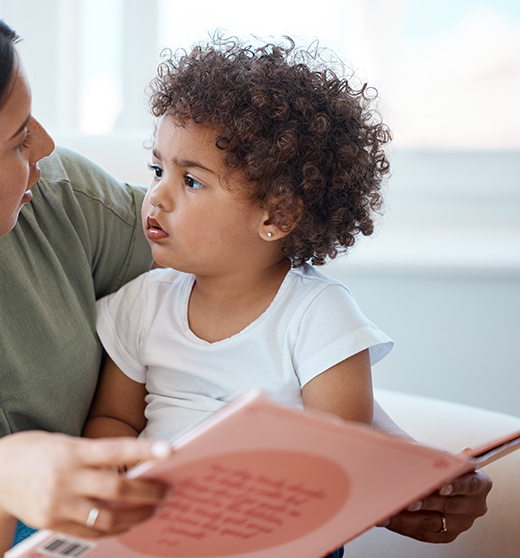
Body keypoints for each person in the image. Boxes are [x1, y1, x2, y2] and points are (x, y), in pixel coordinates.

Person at [0, 2, 490, 557]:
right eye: (19, 138)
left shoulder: (59, 202)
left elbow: (248, 301)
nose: (49, 147)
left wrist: (393, 466)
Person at [83, 34, 490, 548]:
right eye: (158, 169)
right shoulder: (143, 302)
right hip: (162, 529)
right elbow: (114, 417)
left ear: (276, 215)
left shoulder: (319, 315)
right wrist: (120, 481)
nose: (155, 196)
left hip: (275, 531)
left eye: (191, 182)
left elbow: (340, 455)